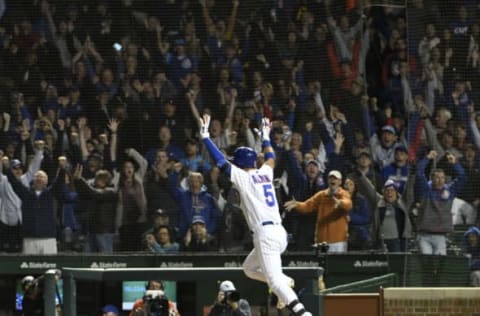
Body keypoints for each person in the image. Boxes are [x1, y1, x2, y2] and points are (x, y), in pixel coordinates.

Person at [200, 114, 312, 316]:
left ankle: (303, 313)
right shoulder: (265, 173)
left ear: (241, 164)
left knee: (275, 282)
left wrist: (206, 138)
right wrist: (266, 136)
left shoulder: (243, 177)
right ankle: (285, 281)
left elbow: (220, 162)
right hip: (279, 232)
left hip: (266, 235)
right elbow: (270, 157)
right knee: (249, 269)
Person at [284, 170, 353, 253]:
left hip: (338, 241)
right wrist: (297, 205)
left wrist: (340, 203)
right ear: (328, 181)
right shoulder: (321, 195)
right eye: (331, 178)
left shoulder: (343, 194)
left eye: (335, 179)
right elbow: (307, 206)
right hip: (322, 240)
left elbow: (348, 204)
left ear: (340, 182)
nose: (333, 180)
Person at [416, 150, 465, 255]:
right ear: (431, 179)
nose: (440, 180)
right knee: (427, 262)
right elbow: (419, 172)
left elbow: (462, 177)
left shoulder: (450, 191)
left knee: (440, 265)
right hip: (424, 235)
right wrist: (427, 158)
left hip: (441, 236)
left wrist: (455, 163)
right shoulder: (426, 190)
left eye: (442, 178)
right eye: (437, 177)